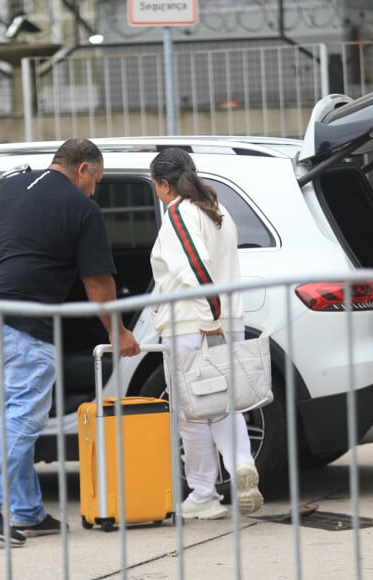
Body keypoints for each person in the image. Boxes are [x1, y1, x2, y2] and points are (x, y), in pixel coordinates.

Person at [0, 138, 140, 545]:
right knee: (24, 417)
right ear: (83, 170)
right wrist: (118, 332)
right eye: (98, 180)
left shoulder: (6, 185)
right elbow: (98, 282)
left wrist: (1, 269)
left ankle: (27, 511)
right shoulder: (82, 208)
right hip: (21, 323)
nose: (96, 190)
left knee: (12, 419)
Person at [149, 147, 264, 520]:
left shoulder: (179, 213)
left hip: (193, 324)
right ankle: (242, 462)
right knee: (223, 402)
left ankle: (202, 494)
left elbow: (194, 268)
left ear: (164, 184)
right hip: (223, 320)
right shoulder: (217, 209)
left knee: (193, 411)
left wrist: (208, 317)